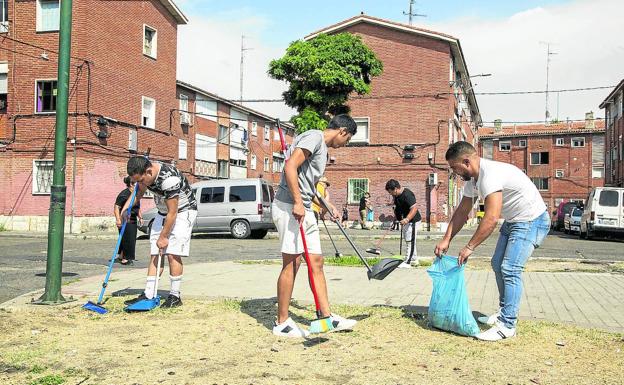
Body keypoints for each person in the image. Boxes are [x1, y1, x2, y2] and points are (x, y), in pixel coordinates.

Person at [434, 141, 550, 341]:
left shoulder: (490, 176)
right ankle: (505, 311)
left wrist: (469, 247)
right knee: (498, 264)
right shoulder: (473, 181)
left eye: (455, 167)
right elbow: (463, 211)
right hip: (515, 220)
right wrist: (446, 240)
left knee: (510, 269)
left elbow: (491, 218)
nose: (454, 172)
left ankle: (507, 324)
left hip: (532, 220)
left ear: (466, 161)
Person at [272, 114, 358, 337]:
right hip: (289, 206)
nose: (344, 145)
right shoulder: (314, 137)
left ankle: (326, 317)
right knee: (292, 262)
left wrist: (326, 203)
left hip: (305, 208)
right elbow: (290, 167)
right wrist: (299, 203)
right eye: (347, 140)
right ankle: (281, 322)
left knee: (316, 261)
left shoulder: (322, 149)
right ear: (342, 132)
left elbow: (307, 184)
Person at [122, 156, 198, 309]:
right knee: (155, 253)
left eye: (142, 180)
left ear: (149, 171)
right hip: (163, 211)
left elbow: (173, 212)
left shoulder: (169, 179)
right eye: (137, 181)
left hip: (183, 211)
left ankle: (175, 296)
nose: (140, 184)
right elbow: (138, 193)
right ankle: (149, 293)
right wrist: (125, 208)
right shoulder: (144, 177)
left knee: (172, 253)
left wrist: (163, 236)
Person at [385, 179, 422, 268]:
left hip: (413, 221)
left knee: (410, 240)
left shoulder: (407, 194)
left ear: (396, 189)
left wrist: (407, 219)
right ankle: (414, 259)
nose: (391, 194)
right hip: (405, 221)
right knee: (409, 240)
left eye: (391, 192)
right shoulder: (397, 196)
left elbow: (414, 208)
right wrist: (396, 219)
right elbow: (398, 207)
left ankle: (408, 262)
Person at [113, 176, 141, 265]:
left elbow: (137, 206)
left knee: (128, 238)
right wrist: (118, 219)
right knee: (128, 239)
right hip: (124, 219)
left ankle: (121, 256)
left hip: (133, 218)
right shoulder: (124, 194)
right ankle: (126, 258)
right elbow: (117, 207)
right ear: (131, 184)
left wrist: (140, 216)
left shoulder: (136, 194)